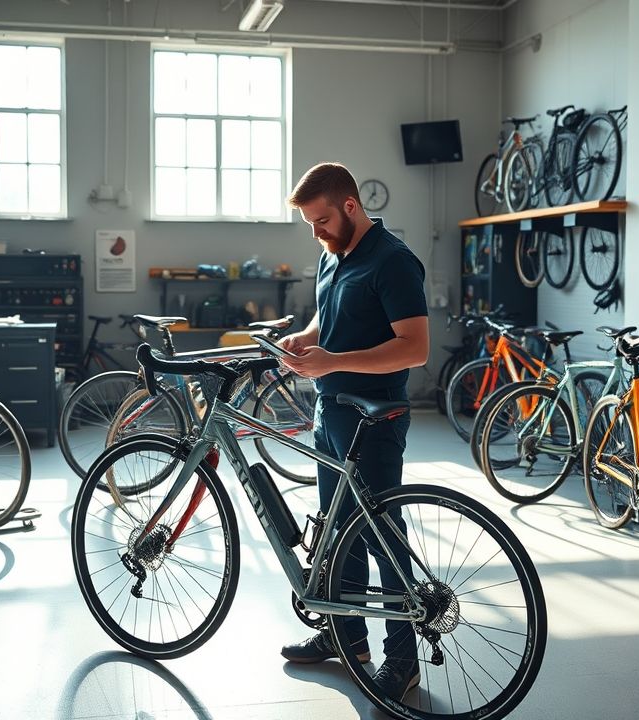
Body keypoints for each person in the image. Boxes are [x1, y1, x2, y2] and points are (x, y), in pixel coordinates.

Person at [276, 162, 429, 701]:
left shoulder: (394, 262)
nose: (315, 233)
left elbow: (414, 346)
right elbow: (329, 321)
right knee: (340, 531)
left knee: (384, 537)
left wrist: (332, 359)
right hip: (330, 411)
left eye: (320, 221)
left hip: (375, 419)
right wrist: (304, 339)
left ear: (350, 207)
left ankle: (403, 660)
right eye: (309, 225)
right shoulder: (331, 256)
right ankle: (348, 638)